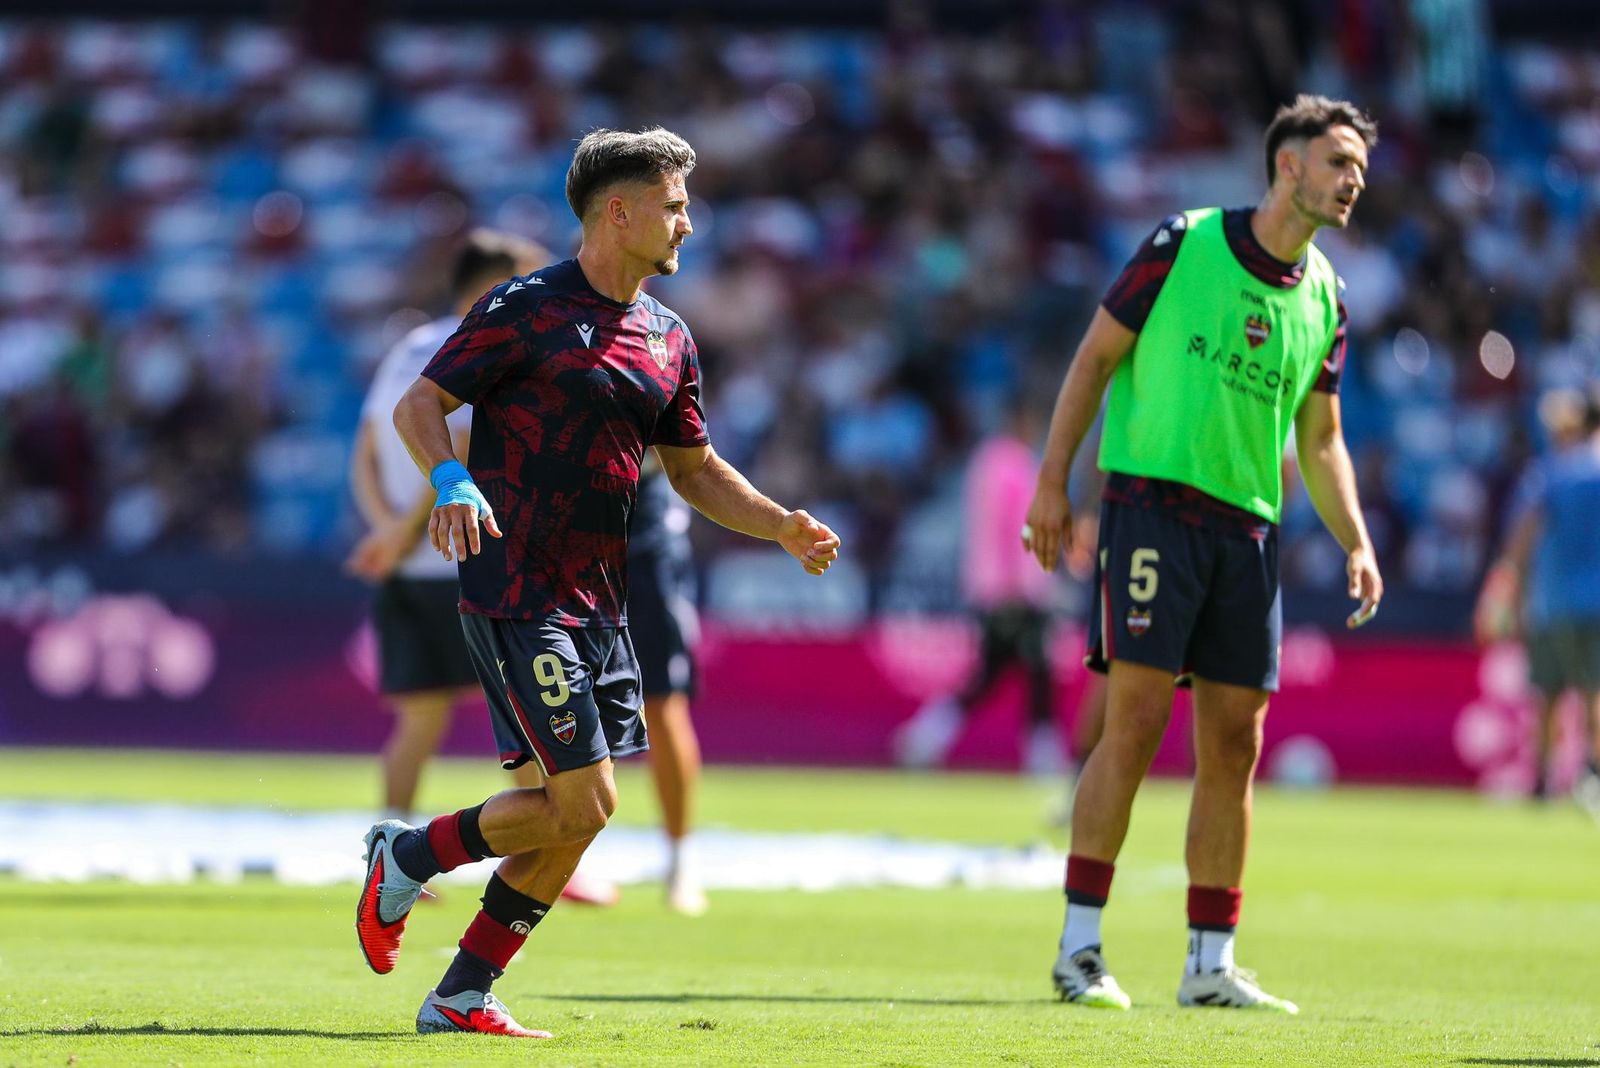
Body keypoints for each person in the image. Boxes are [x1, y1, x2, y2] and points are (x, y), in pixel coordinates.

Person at [359, 127, 841, 1039]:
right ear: (619, 212)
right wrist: (450, 478)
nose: (688, 224)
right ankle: (411, 855)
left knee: (573, 817)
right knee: (588, 800)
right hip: (517, 587)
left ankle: (460, 991)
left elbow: (694, 471)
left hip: (602, 602)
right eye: (674, 206)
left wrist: (779, 523)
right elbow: (421, 402)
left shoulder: (669, 337)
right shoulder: (523, 306)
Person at [1022, 94, 1384, 1014]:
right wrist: (1052, 482)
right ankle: (1078, 949)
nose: (1354, 180)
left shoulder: (1329, 295)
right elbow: (1094, 359)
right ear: (1288, 164)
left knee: (1235, 743)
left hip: (1248, 531)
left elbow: (1323, 439)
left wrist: (1357, 538)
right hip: (1152, 508)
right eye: (1338, 161)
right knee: (1136, 723)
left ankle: (1210, 965)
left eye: (1360, 168)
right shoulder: (1183, 241)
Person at [345, 229, 620, 907]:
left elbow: (367, 447)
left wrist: (384, 529)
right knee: (532, 727)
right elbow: (463, 446)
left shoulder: (406, 347)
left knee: (418, 723)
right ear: (497, 283)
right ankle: (541, 861)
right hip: (473, 560)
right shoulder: (490, 343)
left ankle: (390, 849)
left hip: (407, 565)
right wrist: (406, 530)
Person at [893, 397, 1066, 775]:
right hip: (1013, 593)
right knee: (1034, 673)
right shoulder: (1013, 464)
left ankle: (926, 737)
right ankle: (1042, 754)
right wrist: (1028, 586)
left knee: (992, 676)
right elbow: (1016, 531)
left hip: (992, 588)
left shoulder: (987, 462)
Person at [1477, 386, 1600, 813]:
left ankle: (1545, 783)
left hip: (1555, 602)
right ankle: (1592, 776)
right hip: (1593, 602)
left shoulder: (1549, 474)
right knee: (1594, 692)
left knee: (1548, 693)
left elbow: (1522, 538)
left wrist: (1505, 591)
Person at [629, 450, 708, 914]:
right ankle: (540, 850)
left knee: (662, 702)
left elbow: (680, 447)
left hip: (645, 538)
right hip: (567, 528)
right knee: (550, 698)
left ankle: (681, 859)